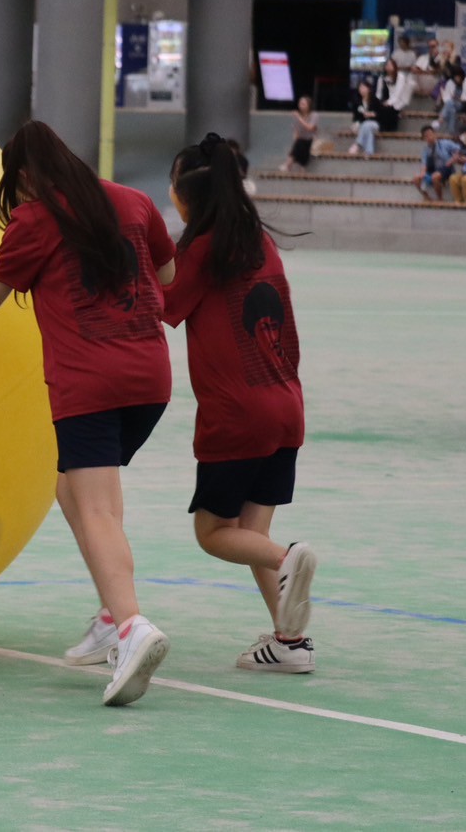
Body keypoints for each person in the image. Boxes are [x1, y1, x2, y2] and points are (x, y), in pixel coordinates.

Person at [0, 120, 175, 707]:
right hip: (150, 377)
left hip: (89, 382)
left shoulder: (35, 220)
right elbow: (167, 275)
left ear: (22, 176)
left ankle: (132, 626)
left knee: (95, 507)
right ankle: (110, 615)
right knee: (76, 492)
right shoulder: (134, 201)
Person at [159, 133, 317, 673]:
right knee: (251, 533)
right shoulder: (258, 242)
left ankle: (288, 560)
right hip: (286, 409)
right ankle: (290, 643)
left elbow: (163, 305)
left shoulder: (202, 251)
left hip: (237, 417)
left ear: (186, 195)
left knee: (214, 534)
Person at [416, 125, 459, 201]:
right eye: (426, 136)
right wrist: (422, 173)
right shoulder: (426, 150)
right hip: (433, 170)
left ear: (434, 134)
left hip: (446, 168)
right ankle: (427, 197)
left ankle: (440, 198)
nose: (429, 137)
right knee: (416, 179)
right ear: (424, 138)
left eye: (430, 134)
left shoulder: (445, 143)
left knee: (435, 177)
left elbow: (458, 149)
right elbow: (424, 164)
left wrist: (454, 158)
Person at [279, 96, 318, 173]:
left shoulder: (314, 115)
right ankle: (293, 165)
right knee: (299, 144)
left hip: (310, 139)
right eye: (300, 103)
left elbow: (310, 128)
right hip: (301, 140)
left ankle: (288, 165)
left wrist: (299, 117)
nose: (301, 105)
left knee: (300, 144)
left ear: (309, 105)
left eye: (303, 104)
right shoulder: (298, 116)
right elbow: (296, 130)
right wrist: (295, 140)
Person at [348, 80, 380, 156]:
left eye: (363, 87)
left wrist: (372, 114)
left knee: (367, 125)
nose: (361, 90)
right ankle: (369, 152)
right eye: (360, 88)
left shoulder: (375, 100)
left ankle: (357, 144)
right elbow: (356, 117)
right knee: (368, 130)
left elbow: (380, 114)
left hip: (374, 123)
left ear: (369, 89)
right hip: (363, 124)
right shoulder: (357, 102)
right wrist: (356, 124)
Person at [379, 57, 413, 132]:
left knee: (389, 109)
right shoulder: (382, 78)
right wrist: (379, 102)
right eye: (387, 65)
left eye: (390, 65)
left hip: (399, 100)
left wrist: (388, 102)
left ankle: (391, 129)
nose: (388, 67)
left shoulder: (400, 77)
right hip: (386, 99)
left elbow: (397, 93)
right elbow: (378, 93)